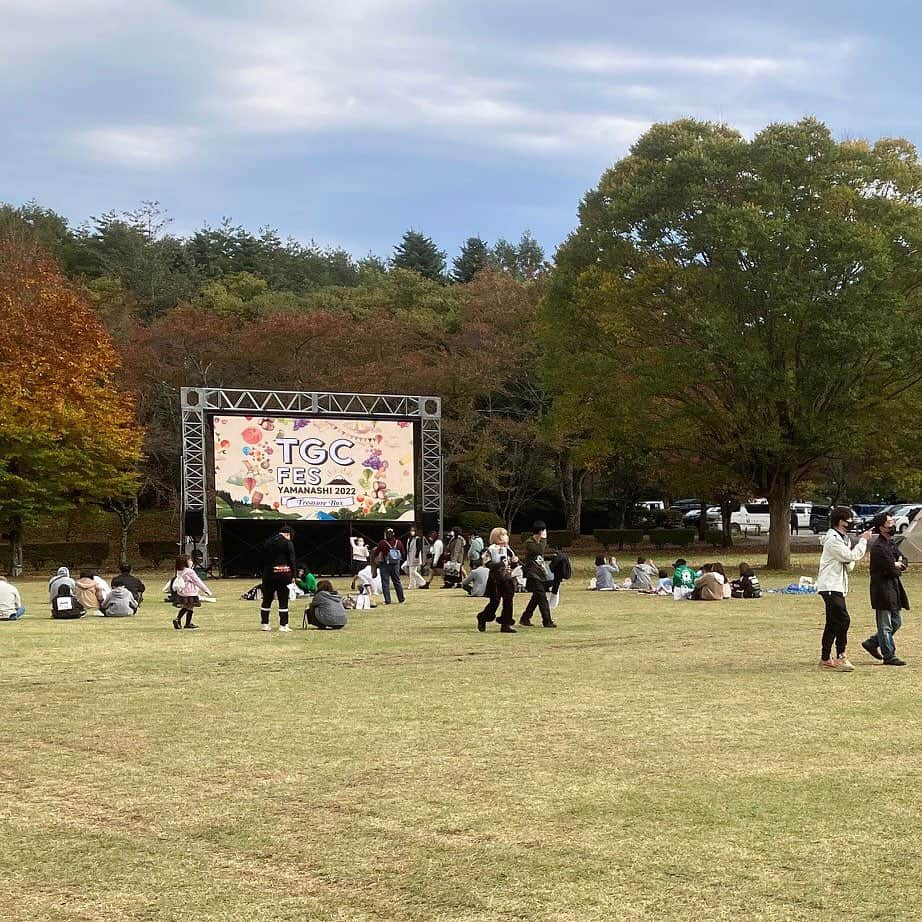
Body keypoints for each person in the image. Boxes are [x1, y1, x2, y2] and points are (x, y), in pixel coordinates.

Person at [816, 506, 871, 672]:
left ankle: (825, 658)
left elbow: (849, 565)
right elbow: (850, 556)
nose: (851, 523)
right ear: (840, 521)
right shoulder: (833, 539)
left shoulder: (844, 539)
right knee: (844, 619)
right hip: (830, 586)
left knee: (832, 622)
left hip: (839, 585)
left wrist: (849, 557)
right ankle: (841, 656)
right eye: (848, 520)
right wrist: (863, 541)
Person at [861, 511, 910, 667]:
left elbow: (904, 560)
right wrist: (895, 564)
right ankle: (889, 655)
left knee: (896, 622)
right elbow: (891, 569)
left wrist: (898, 563)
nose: (893, 525)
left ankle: (871, 643)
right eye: (889, 523)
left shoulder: (891, 543)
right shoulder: (878, 547)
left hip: (894, 589)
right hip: (882, 590)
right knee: (885, 624)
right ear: (881, 527)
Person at [260, 526, 297, 632]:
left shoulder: (267, 542)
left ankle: (265, 624)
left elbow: (262, 559)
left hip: (268, 574)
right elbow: (292, 559)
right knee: (283, 599)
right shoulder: (287, 543)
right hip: (284, 575)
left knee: (267, 599)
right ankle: (283, 625)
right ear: (288, 534)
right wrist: (294, 575)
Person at [519, 520, 556, 628]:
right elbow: (539, 550)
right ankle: (547, 621)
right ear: (540, 531)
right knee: (542, 597)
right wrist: (544, 539)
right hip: (532, 574)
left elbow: (540, 557)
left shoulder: (538, 543)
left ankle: (525, 618)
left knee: (536, 597)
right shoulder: (529, 543)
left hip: (540, 573)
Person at [171, 554, 213, 630]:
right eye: (189, 560)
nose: (191, 561)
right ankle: (179, 619)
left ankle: (187, 622)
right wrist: (206, 590)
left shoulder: (179, 570)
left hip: (182, 591)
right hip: (190, 591)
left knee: (189, 606)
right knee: (189, 606)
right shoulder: (190, 571)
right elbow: (197, 581)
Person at [374, 527, 406, 604]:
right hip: (396, 564)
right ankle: (401, 599)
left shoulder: (382, 542)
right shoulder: (399, 542)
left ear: (385, 534)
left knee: (385, 583)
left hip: (385, 564)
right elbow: (403, 553)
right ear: (393, 534)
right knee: (397, 581)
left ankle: (388, 600)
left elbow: (376, 552)